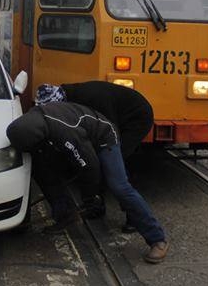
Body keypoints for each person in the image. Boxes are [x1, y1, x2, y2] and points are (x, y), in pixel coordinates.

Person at [6, 91, 169, 264]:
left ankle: (157, 239)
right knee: (41, 168)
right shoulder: (31, 123)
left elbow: (90, 166)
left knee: (119, 186)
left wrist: (90, 197)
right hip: (75, 135)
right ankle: (65, 214)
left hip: (104, 137)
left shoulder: (64, 131)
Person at [39, 82, 154, 232]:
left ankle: (134, 217)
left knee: (115, 167)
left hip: (135, 118)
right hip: (114, 119)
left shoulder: (92, 98)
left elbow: (110, 128)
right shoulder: (71, 97)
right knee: (96, 161)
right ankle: (96, 206)